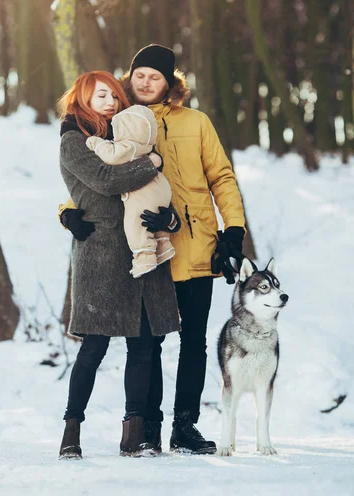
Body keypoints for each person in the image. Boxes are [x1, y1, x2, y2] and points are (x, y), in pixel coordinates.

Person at [59, 45, 246, 455]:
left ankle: (185, 426)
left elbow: (222, 176)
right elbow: (93, 179)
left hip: (194, 246)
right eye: (139, 74)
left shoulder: (195, 122)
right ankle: (149, 428)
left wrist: (233, 230)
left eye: (155, 76)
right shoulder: (115, 123)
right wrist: (67, 211)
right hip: (146, 254)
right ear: (130, 78)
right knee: (149, 343)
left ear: (170, 83)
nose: (146, 82)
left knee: (193, 342)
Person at [58, 70, 180, 459]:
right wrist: (153, 160)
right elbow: (106, 179)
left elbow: (156, 195)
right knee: (93, 348)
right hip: (101, 254)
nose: (110, 102)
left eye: (114, 95)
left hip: (141, 250)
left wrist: (170, 221)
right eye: (100, 96)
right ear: (82, 100)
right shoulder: (73, 140)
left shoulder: (127, 135)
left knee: (143, 346)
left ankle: (135, 434)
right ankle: (71, 430)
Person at [85, 104, 176, 278]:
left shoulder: (130, 146)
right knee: (155, 224)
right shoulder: (146, 146)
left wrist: (96, 143)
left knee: (136, 224)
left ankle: (145, 258)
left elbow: (111, 155)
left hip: (143, 193)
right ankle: (164, 245)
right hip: (161, 188)